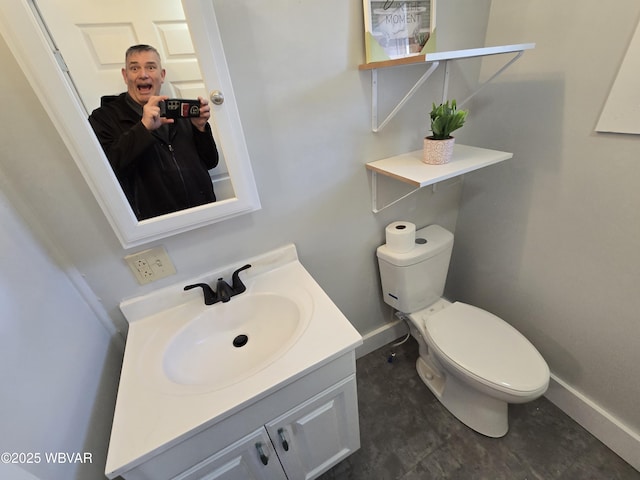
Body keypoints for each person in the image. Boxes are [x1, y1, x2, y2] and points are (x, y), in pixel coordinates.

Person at [88, 44, 219, 220]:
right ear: (125, 76)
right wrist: (143, 128)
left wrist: (200, 128)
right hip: (155, 224)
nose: (143, 74)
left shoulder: (178, 111)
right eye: (134, 68)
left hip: (204, 212)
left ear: (162, 75)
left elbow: (210, 162)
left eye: (151, 67)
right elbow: (108, 168)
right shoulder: (104, 118)